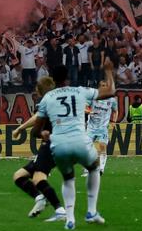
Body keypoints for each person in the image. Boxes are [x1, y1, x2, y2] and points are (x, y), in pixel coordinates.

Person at [36, 60, 116, 228]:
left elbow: (36, 131)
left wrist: (43, 133)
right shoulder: (80, 91)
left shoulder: (47, 98)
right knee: (94, 167)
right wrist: (108, 72)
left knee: (68, 178)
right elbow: (110, 92)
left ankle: (70, 218)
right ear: (68, 78)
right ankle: (92, 211)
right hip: (80, 140)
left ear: (53, 80)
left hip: (59, 144)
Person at [13, 76, 64, 221]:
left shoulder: (46, 101)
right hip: (51, 144)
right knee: (18, 176)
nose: (35, 89)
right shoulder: (57, 99)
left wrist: (20, 128)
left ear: (41, 89)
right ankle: (40, 198)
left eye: (37, 86)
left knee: (38, 178)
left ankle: (60, 210)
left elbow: (36, 118)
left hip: (51, 145)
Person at [83, 87, 117, 177]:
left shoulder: (112, 100)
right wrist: (89, 112)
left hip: (103, 127)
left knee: (102, 146)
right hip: (91, 127)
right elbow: (84, 108)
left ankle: (101, 169)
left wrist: (113, 121)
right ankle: (87, 170)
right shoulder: (93, 98)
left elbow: (115, 111)